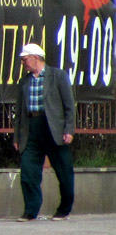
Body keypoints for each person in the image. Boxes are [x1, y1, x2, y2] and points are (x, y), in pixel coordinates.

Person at [13, 42, 74, 221]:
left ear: (36, 58)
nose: (23, 63)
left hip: (53, 128)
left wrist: (68, 129)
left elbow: (69, 106)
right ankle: (30, 211)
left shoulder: (58, 76)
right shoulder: (24, 81)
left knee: (64, 171)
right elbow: (19, 112)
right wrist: (17, 136)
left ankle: (64, 209)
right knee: (28, 171)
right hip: (31, 127)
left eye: (24, 60)